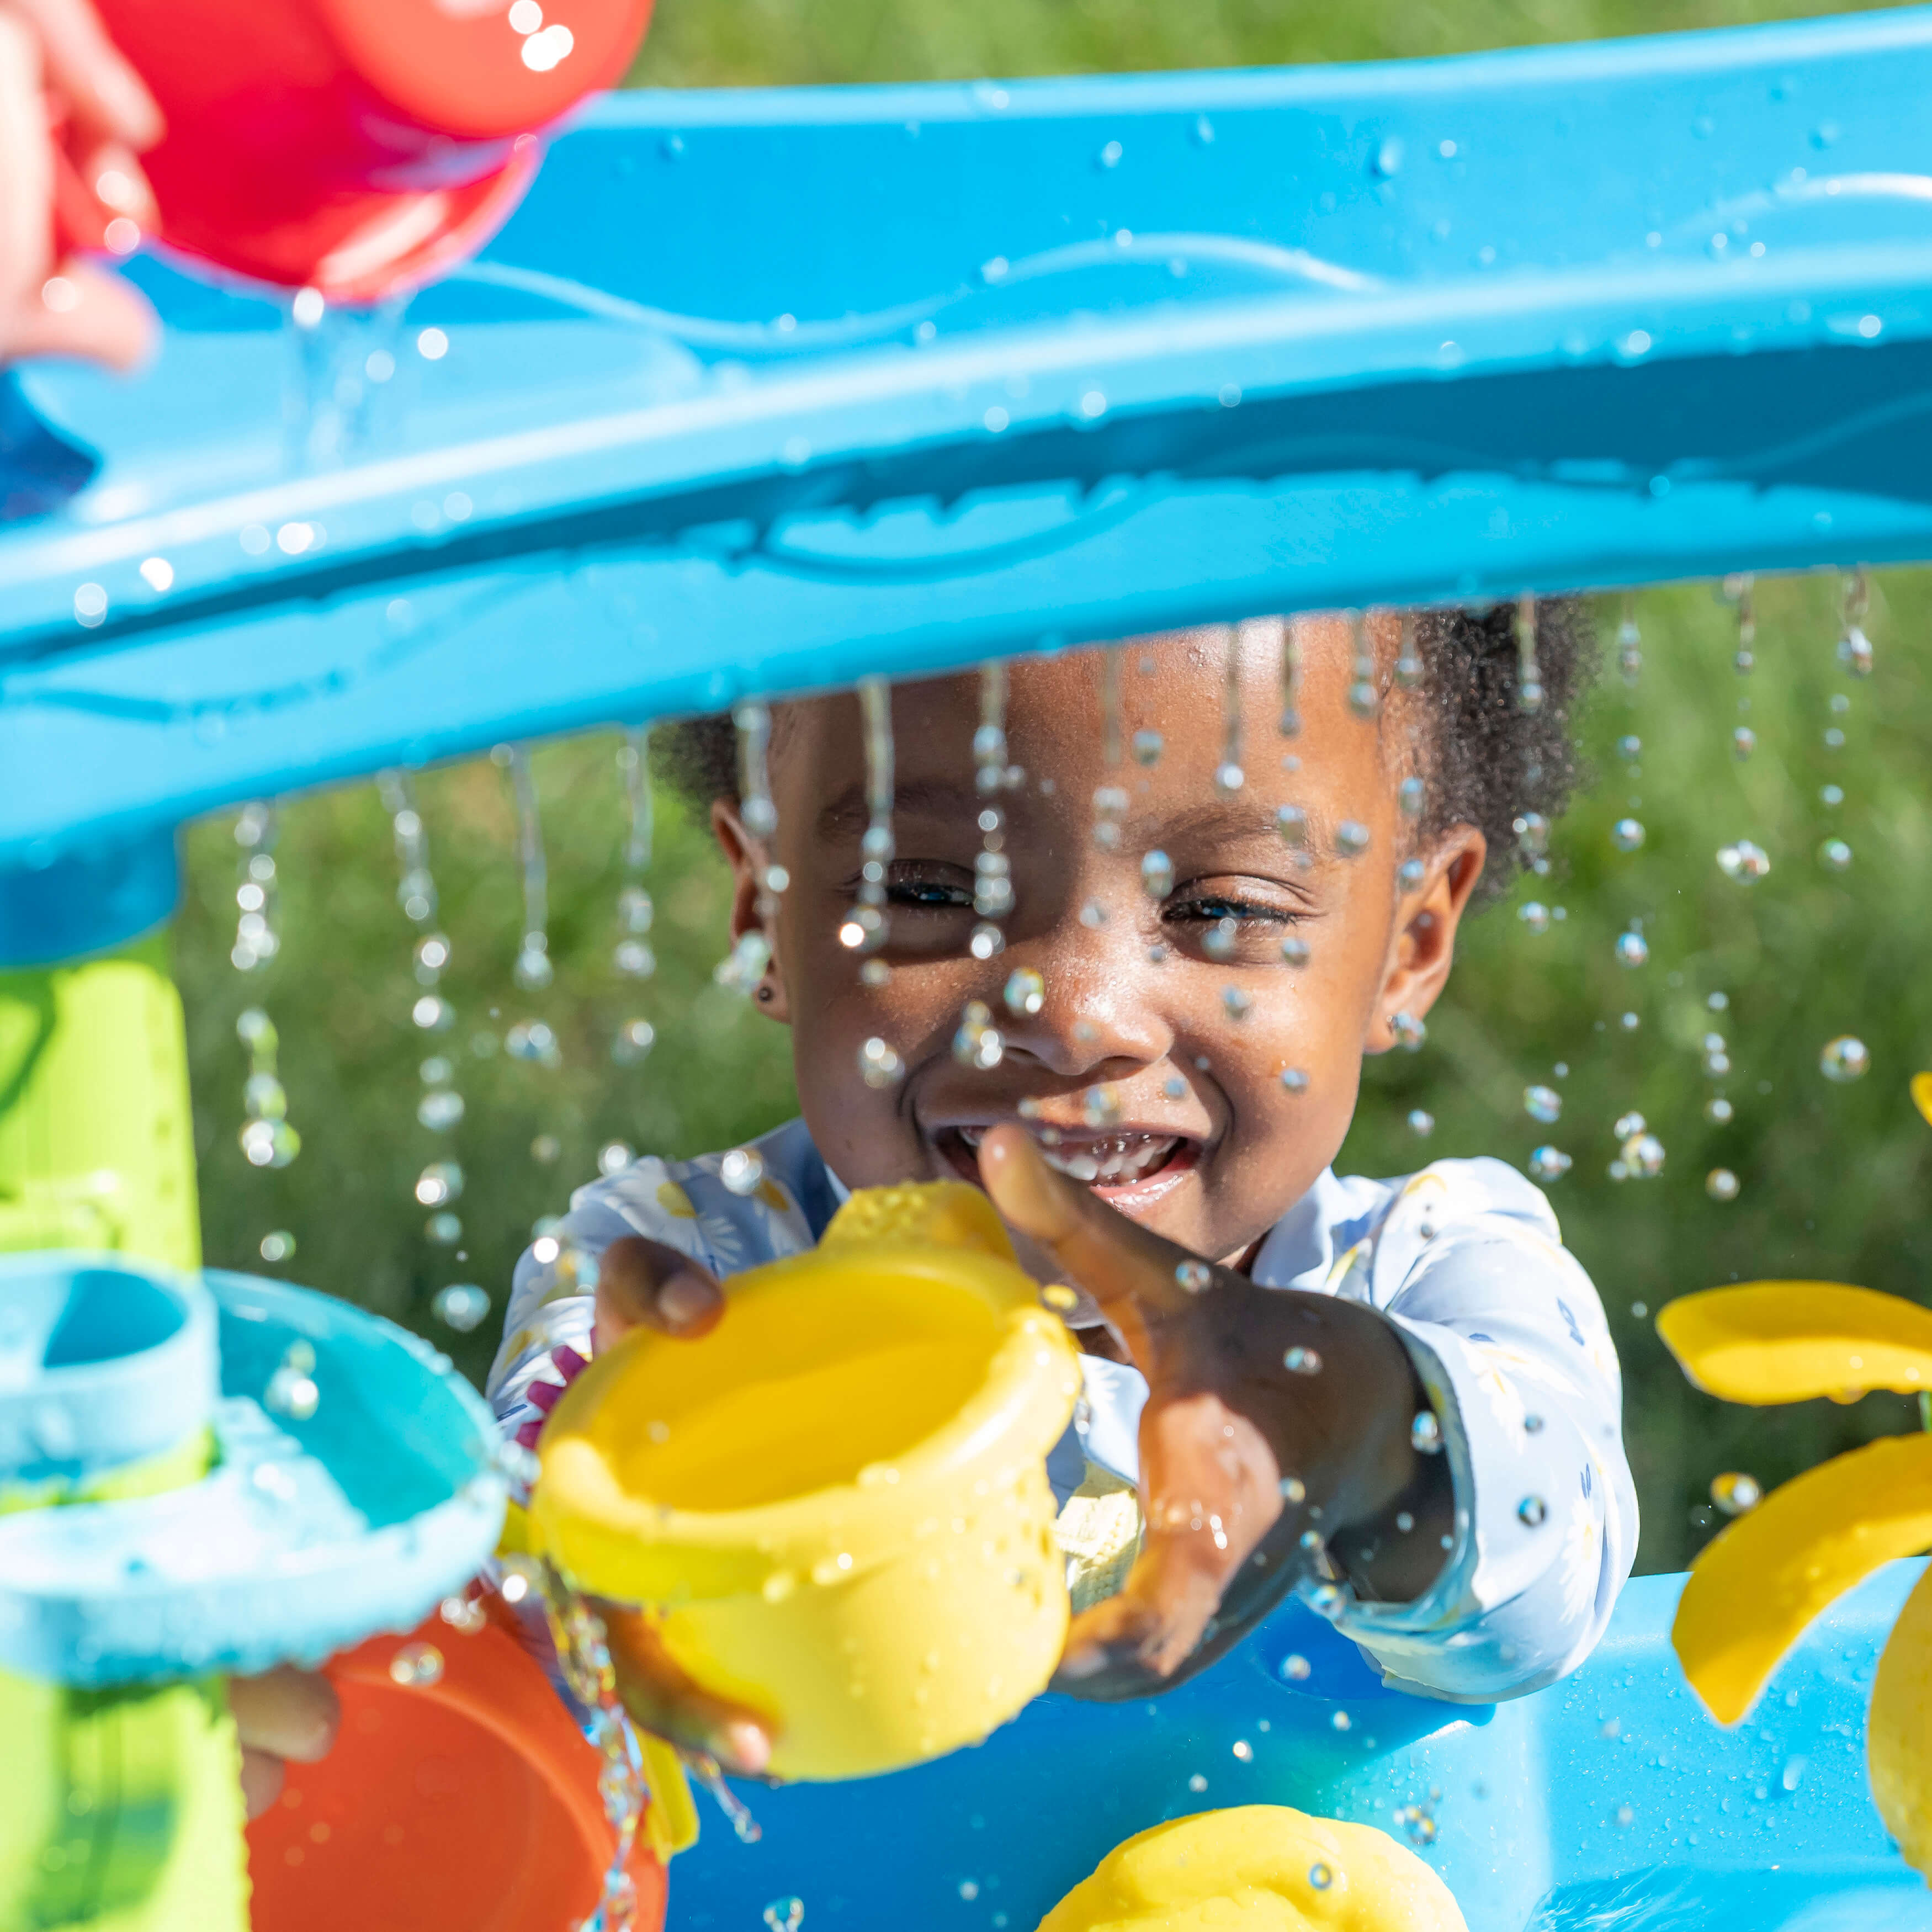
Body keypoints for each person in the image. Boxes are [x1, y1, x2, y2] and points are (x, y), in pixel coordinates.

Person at [491, 606, 1638, 1772]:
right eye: (931, 891)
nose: (1077, 1016)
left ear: (1409, 943)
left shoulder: (1430, 1270)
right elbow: (504, 1605)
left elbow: (1549, 1593)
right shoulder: (685, 1276)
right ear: (764, 910)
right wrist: (607, 1489)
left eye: (1222, 909)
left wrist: (1356, 1433)